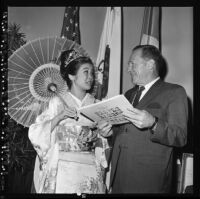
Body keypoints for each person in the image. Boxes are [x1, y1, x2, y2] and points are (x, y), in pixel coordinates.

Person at [28, 49, 112, 194]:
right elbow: (36, 133)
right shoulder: (57, 102)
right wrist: (59, 117)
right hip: (64, 171)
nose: (90, 77)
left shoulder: (96, 104)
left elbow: (102, 145)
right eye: (86, 72)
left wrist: (105, 134)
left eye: (92, 73)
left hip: (90, 169)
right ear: (72, 75)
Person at [109, 45, 188, 193]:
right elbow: (122, 133)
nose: (128, 69)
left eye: (133, 64)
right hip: (119, 178)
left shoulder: (174, 92)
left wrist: (153, 123)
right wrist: (109, 133)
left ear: (150, 65)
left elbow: (180, 137)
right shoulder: (128, 94)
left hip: (149, 182)